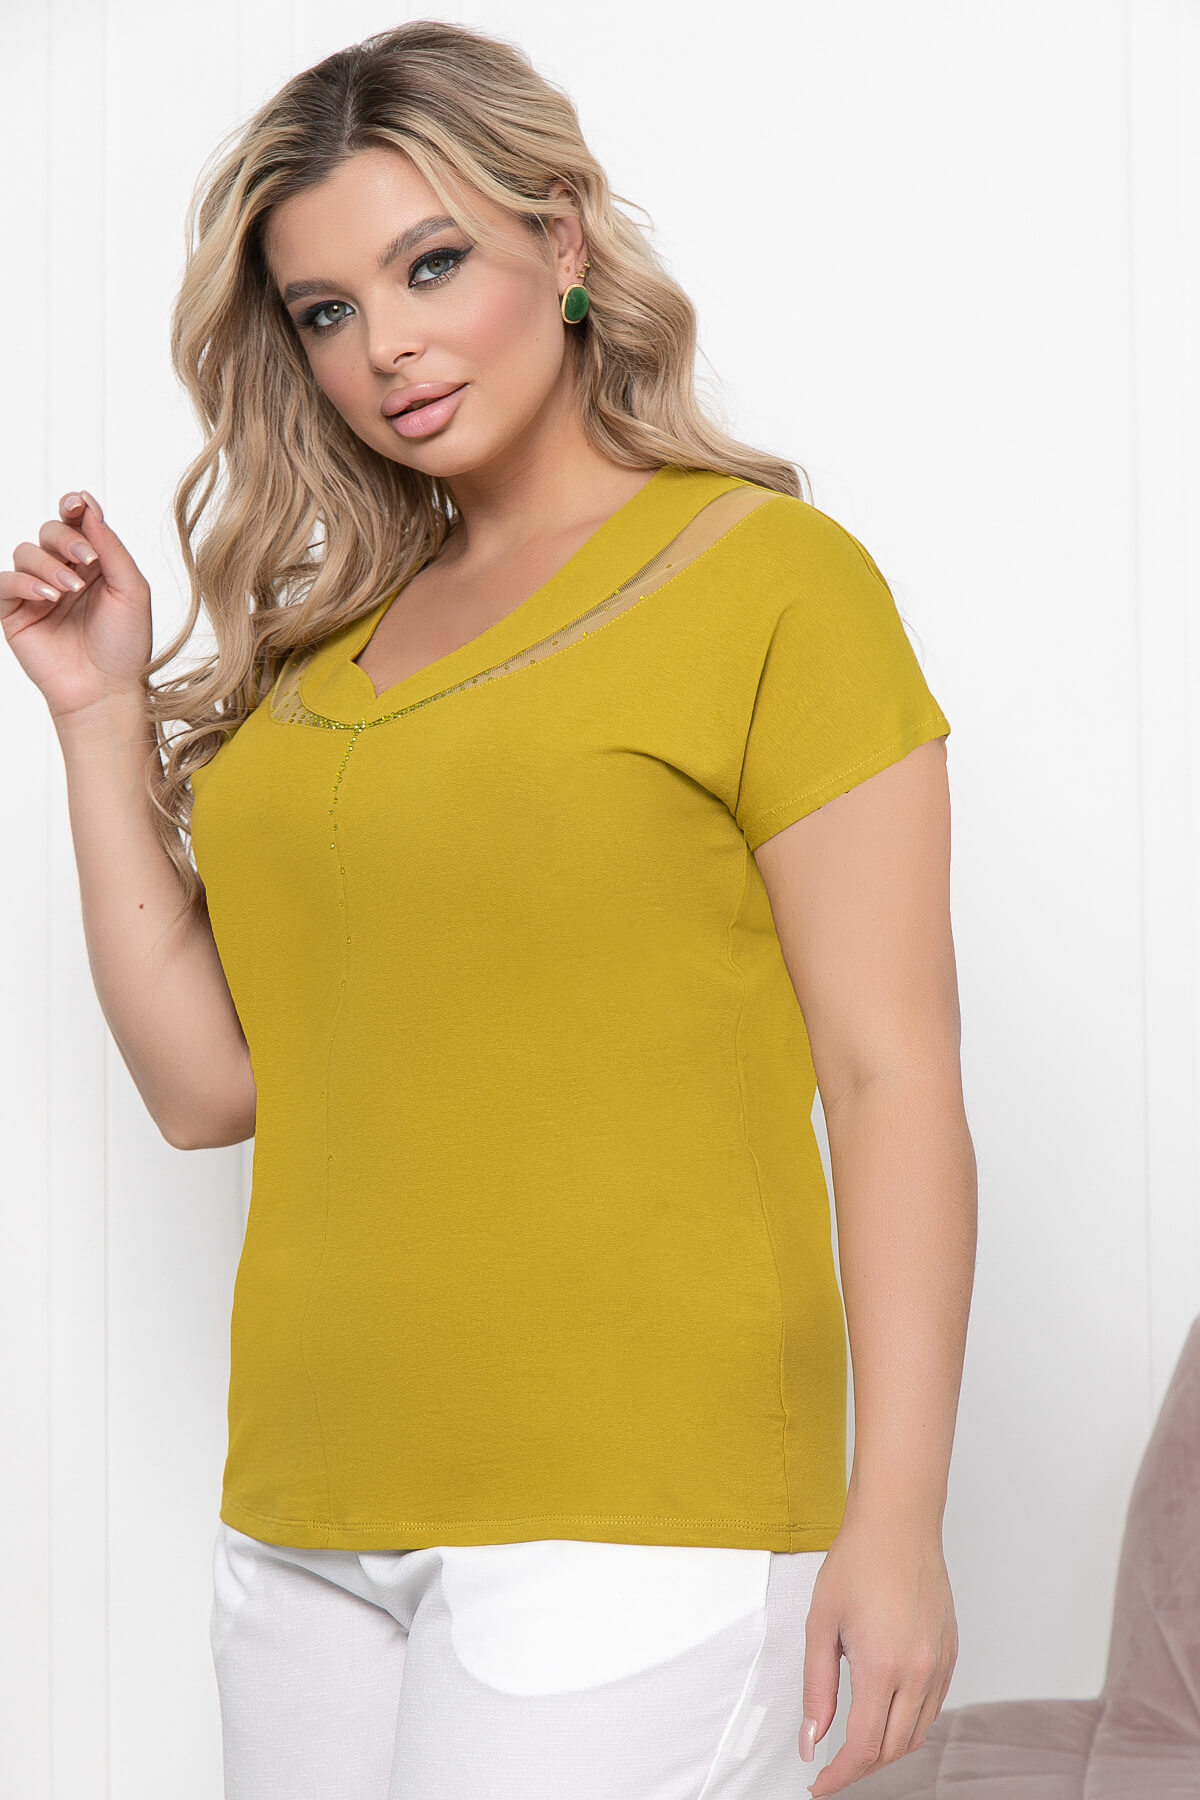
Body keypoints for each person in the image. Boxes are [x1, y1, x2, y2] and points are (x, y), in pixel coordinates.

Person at [0, 19, 976, 1800]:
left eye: (431, 264)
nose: (384, 345)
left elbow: (890, 1071)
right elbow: (208, 1088)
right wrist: (94, 714)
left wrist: (897, 1518)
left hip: (635, 1513)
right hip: (305, 1512)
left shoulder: (771, 584)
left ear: (564, 238)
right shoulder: (323, 655)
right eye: (325, 309)